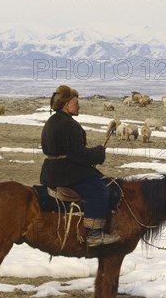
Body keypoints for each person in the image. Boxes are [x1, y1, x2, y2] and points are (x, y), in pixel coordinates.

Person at [40, 85, 121, 247]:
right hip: (66, 171)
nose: (79, 106)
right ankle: (94, 234)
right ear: (66, 105)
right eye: (76, 103)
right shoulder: (69, 125)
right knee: (100, 190)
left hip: (51, 169)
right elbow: (78, 154)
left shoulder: (53, 120)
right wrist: (99, 152)